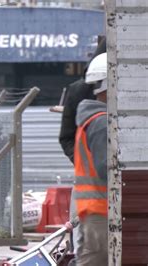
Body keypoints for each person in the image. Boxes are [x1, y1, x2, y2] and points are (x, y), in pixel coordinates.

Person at [74, 52, 108, 265]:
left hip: (94, 210)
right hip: (102, 212)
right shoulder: (102, 123)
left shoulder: (93, 119)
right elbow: (108, 168)